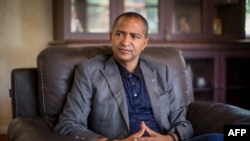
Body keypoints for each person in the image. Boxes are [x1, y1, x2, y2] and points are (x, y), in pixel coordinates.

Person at [54, 12, 223, 141]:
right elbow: (68, 124)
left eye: (134, 36)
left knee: (222, 137)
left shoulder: (161, 71)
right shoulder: (90, 72)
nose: (125, 42)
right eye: (120, 34)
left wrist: (169, 138)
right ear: (111, 37)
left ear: (144, 43)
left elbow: (182, 122)